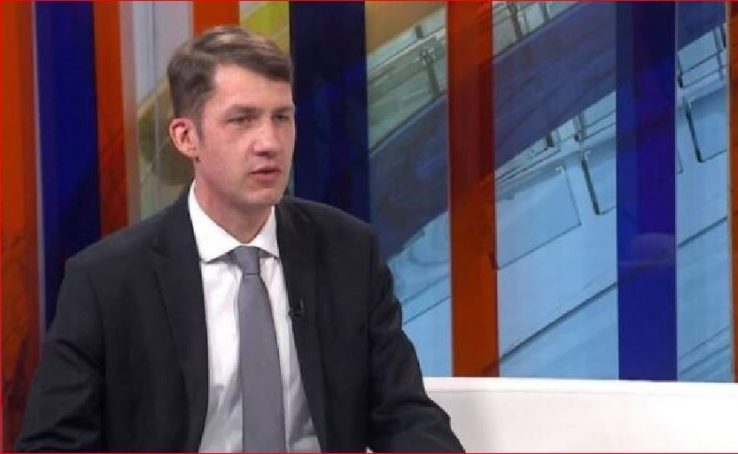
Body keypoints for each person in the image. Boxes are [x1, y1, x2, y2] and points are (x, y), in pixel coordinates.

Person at [16, 25, 463, 452]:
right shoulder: (107, 281)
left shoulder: (347, 251)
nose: (269, 142)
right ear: (186, 137)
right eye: (242, 120)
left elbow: (402, 414)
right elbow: (53, 444)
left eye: (281, 117)